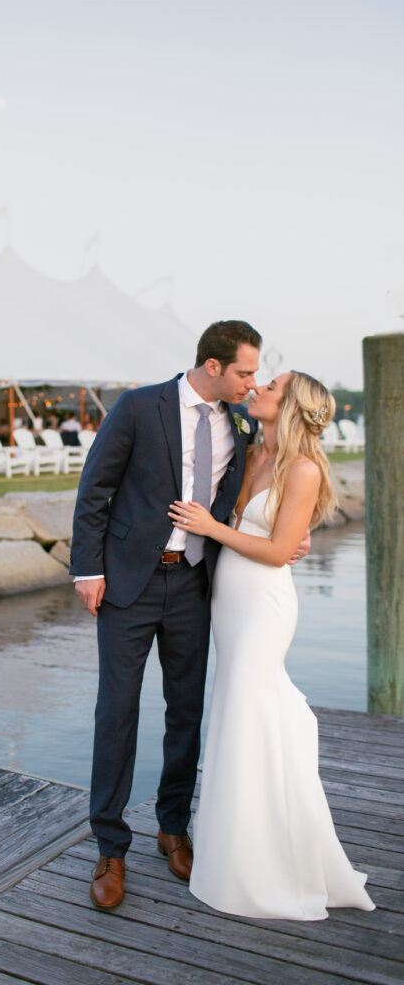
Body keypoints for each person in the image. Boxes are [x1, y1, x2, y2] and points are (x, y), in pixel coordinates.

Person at [70, 320, 287, 909]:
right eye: (245, 370)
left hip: (195, 584)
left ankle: (172, 828)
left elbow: (251, 493)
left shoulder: (241, 421)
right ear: (213, 366)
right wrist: (87, 570)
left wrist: (294, 533)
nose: (253, 380)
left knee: (186, 711)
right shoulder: (140, 407)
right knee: (116, 712)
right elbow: (96, 491)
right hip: (128, 585)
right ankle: (110, 846)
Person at [170, 371, 375, 920]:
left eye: (273, 386)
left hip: (263, 606)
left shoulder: (303, 468)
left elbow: (279, 549)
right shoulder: (247, 445)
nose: (258, 387)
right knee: (239, 718)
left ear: (288, 406)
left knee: (247, 708)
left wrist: (211, 528)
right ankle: (236, 848)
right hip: (228, 604)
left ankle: (262, 866)